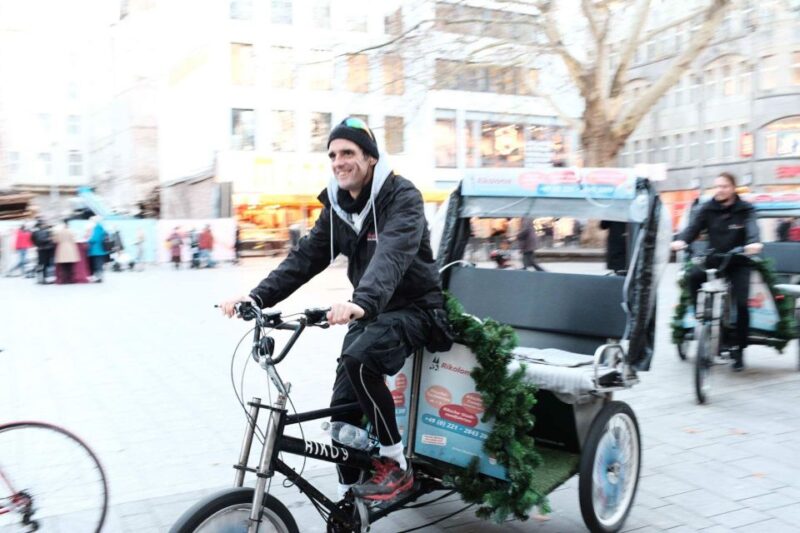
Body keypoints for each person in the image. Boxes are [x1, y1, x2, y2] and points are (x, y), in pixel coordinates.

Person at [221, 117, 448, 503]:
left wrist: (361, 302)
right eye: (333, 154)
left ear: (371, 159)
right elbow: (305, 257)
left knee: (361, 361)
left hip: (415, 309)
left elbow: (391, 255)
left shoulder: (402, 198)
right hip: (372, 314)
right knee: (342, 417)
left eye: (348, 153)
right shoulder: (339, 208)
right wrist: (257, 298)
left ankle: (396, 464)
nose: (339, 161)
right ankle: (348, 504)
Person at [671, 172, 763, 371]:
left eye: (724, 186)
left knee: (741, 303)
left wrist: (753, 243)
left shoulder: (745, 209)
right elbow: (693, 227)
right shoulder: (708, 208)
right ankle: (700, 316)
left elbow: (752, 228)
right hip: (715, 258)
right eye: (717, 186)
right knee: (693, 276)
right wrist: (682, 240)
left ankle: (739, 349)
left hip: (738, 260)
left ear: (733, 188)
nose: (720, 190)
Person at [87, 218, 109, 283]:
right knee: (99, 264)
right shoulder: (101, 228)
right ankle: (99, 277)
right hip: (100, 250)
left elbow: (94, 239)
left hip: (96, 250)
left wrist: (88, 241)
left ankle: (99, 278)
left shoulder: (97, 228)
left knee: (97, 264)